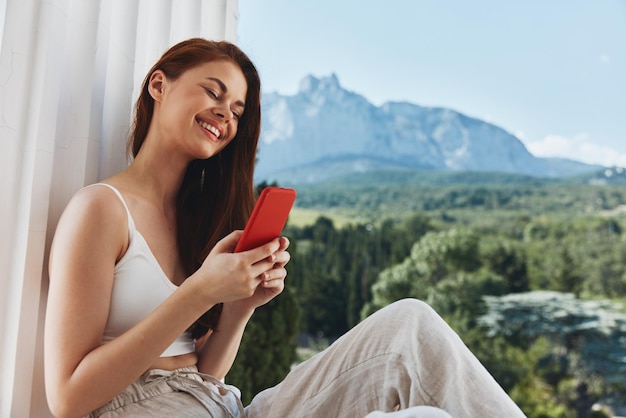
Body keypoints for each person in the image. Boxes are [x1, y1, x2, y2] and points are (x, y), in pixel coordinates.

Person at [44, 38, 526, 418]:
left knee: (410, 326)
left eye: (236, 110)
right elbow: (67, 399)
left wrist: (237, 308)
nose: (224, 114)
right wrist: (198, 293)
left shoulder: (197, 219)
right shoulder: (101, 209)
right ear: (159, 85)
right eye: (214, 92)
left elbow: (206, 371)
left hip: (219, 404)